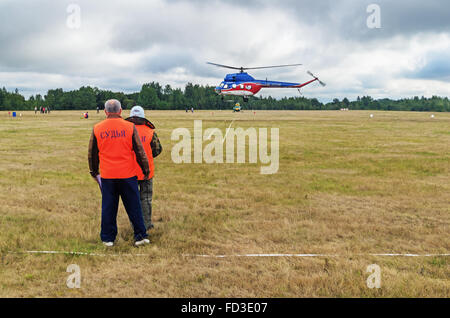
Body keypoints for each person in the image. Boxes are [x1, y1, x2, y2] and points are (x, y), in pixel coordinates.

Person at [88, 99, 151, 247]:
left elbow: (92, 153)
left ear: (105, 112)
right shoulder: (129, 127)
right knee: (134, 206)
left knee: (108, 207)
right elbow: (140, 151)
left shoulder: (97, 128)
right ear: (120, 111)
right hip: (128, 174)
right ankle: (140, 236)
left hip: (108, 175)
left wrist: (94, 171)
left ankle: (107, 238)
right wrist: (145, 169)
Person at [126, 106, 163, 231]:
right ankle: (146, 225)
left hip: (129, 172)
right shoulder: (150, 132)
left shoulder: (125, 130)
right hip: (146, 172)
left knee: (132, 200)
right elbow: (158, 150)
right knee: (146, 199)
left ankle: (134, 225)